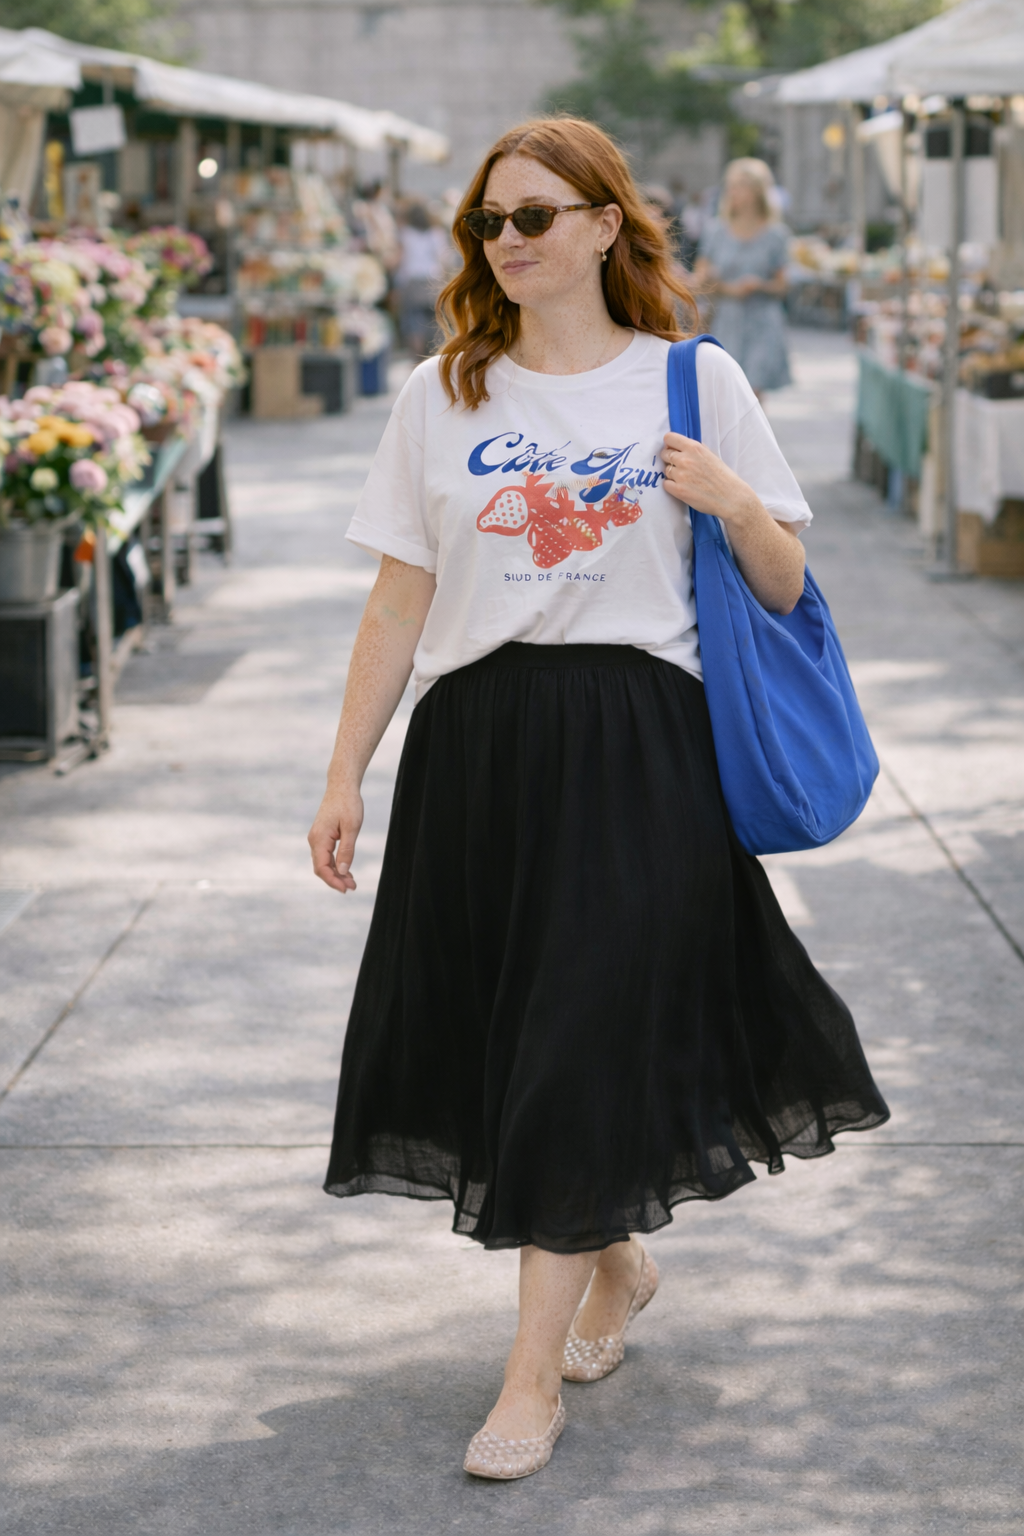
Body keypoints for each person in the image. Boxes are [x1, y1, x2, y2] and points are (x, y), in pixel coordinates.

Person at [309, 117, 889, 1482]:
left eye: (534, 216)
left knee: (572, 1039)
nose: (507, 241)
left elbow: (786, 587)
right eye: (488, 224)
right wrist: (345, 771)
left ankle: (527, 1385)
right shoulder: (442, 393)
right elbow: (399, 598)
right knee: (500, 1043)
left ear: (605, 225)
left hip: (637, 747)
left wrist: (736, 497)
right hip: (478, 753)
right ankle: (610, 1263)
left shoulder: (693, 380)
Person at [693, 157, 792, 399]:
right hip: (727, 320)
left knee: (754, 395)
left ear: (757, 190)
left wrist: (760, 285)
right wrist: (725, 286)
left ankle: (754, 439)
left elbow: (783, 285)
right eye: (730, 185)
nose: (732, 191)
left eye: (740, 185)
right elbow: (699, 280)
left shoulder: (775, 235)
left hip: (762, 322)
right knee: (727, 393)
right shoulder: (715, 231)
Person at [394, 199, 451, 359]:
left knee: (413, 324)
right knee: (435, 322)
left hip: (412, 283)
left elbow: (400, 260)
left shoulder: (405, 234)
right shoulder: (436, 233)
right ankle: (436, 358)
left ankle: (417, 360)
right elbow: (443, 260)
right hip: (433, 281)